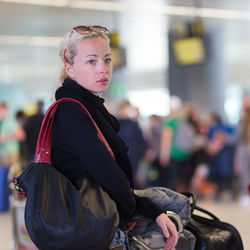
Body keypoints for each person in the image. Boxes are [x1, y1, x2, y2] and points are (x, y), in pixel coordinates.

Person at [52, 25, 178, 250]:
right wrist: (137, 209)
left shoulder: (89, 108)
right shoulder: (71, 111)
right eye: (91, 61)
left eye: (107, 60)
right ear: (70, 69)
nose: (103, 68)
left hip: (97, 221)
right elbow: (104, 170)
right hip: (91, 229)